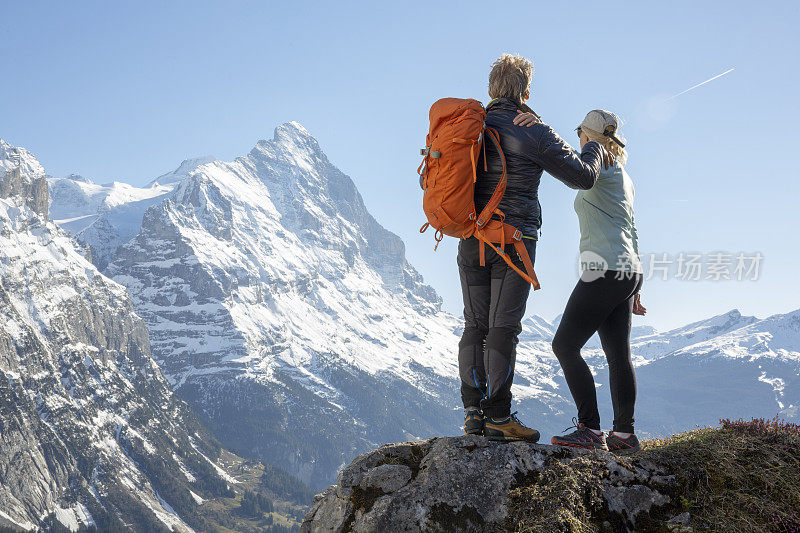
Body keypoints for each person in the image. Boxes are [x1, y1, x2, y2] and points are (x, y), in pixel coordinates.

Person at [460, 55, 613, 442]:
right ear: (526, 90)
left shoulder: (469, 123)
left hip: (471, 238)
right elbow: (582, 177)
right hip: (513, 241)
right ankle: (498, 416)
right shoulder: (533, 130)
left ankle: (474, 414)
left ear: (492, 89)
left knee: (475, 325)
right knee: (503, 327)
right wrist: (594, 145)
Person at [522, 109, 645, 453]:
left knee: (564, 345)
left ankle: (590, 429)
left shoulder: (597, 163)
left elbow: (569, 166)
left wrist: (540, 130)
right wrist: (637, 284)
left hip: (603, 268)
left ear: (587, 135)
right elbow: (631, 228)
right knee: (618, 354)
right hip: (626, 269)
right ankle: (625, 435)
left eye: (580, 134)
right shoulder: (623, 174)